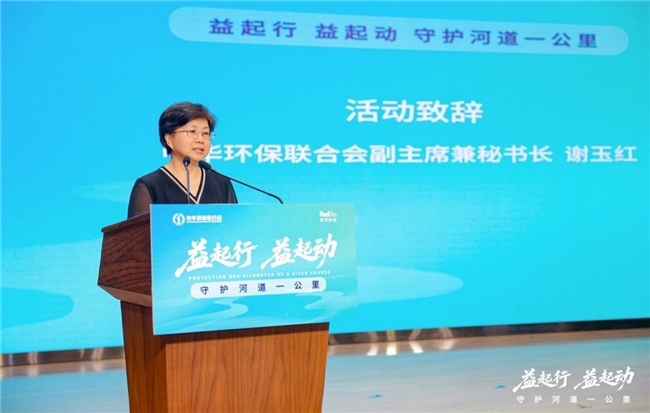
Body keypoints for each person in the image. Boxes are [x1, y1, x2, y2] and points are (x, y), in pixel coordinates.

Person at [127, 102, 237, 218]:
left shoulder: (221, 183)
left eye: (205, 133)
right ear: (169, 138)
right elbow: (138, 229)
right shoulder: (149, 185)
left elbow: (237, 225)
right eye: (192, 132)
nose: (200, 139)